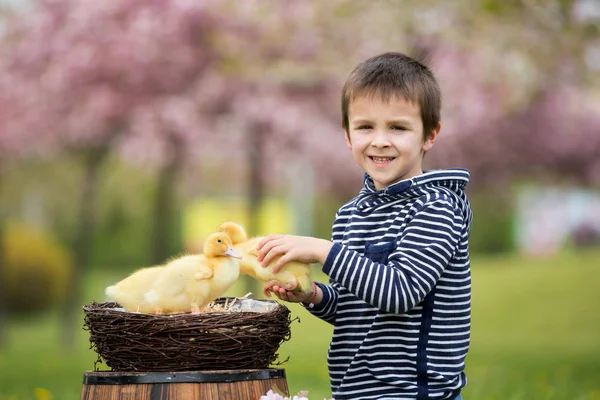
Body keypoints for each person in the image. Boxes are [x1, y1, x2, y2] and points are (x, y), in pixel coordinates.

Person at [257, 52, 472, 400]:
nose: (380, 140)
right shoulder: (351, 214)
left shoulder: (437, 208)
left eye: (398, 127)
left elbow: (400, 293)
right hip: (356, 390)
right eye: (365, 126)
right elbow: (357, 307)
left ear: (429, 135)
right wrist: (314, 295)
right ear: (347, 135)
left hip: (412, 392)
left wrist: (323, 251)